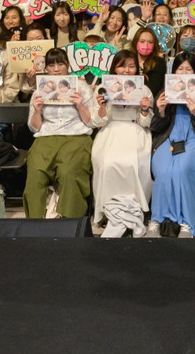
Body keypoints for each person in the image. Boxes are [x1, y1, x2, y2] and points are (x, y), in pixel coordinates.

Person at [24, 48, 99, 220]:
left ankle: (70, 221)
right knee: (36, 174)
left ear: (67, 65)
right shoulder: (39, 90)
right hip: (46, 137)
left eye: (60, 64)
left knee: (69, 173)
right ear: (46, 68)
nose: (56, 69)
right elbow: (34, 127)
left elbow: (91, 122)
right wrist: (36, 110)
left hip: (76, 136)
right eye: (51, 65)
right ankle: (35, 222)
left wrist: (80, 105)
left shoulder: (82, 87)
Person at [89, 49, 155, 234]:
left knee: (135, 163)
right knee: (107, 163)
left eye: (131, 66)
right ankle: (112, 212)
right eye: (122, 66)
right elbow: (96, 122)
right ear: (114, 68)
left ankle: (133, 211)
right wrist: (102, 107)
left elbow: (147, 122)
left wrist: (143, 110)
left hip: (136, 130)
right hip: (110, 131)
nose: (126, 70)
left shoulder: (144, 89)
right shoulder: (104, 87)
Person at [151, 51, 195, 237]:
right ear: (174, 71)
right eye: (180, 68)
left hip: (193, 137)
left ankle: (187, 221)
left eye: (189, 69)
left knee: (183, 169)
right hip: (168, 137)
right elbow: (155, 127)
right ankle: (157, 219)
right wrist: (161, 111)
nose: (185, 72)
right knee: (162, 169)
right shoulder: (164, 91)